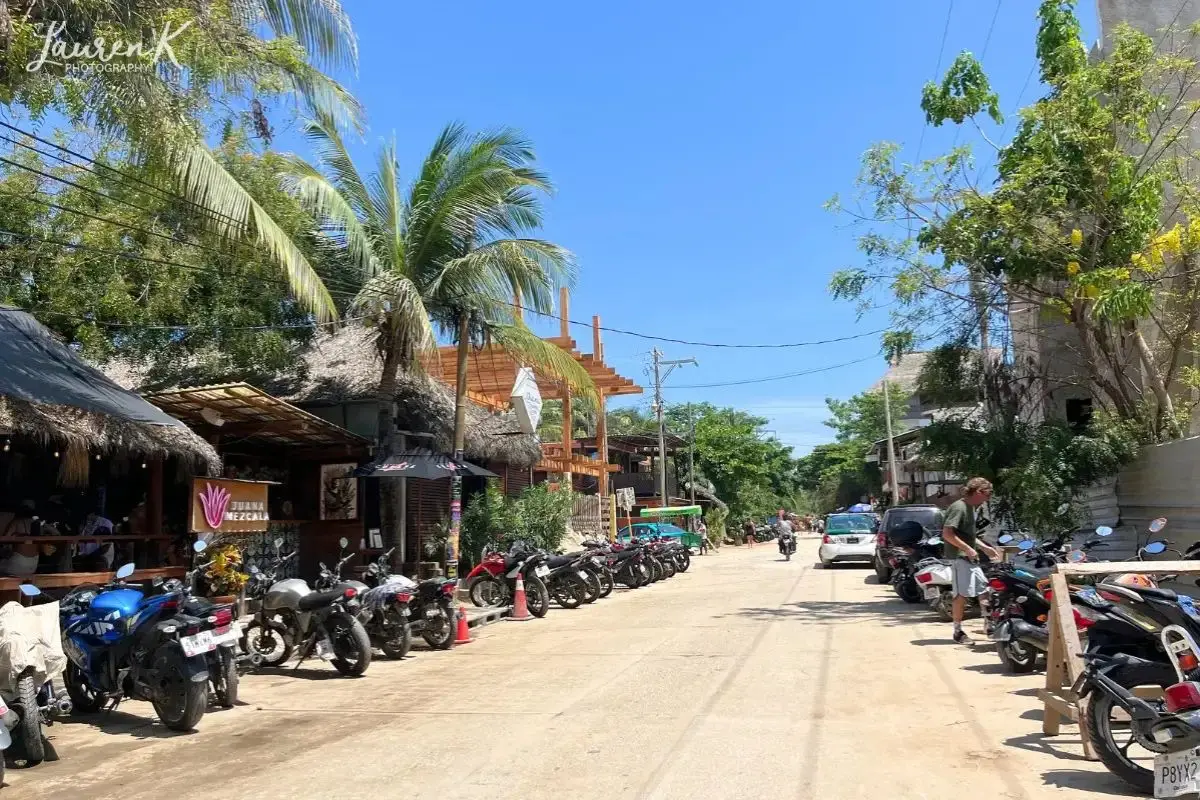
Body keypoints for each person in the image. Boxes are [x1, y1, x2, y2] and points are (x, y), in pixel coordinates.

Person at [941, 477, 1001, 644]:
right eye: (987, 494)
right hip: (959, 558)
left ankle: (989, 625)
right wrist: (967, 549)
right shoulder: (959, 508)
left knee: (984, 589)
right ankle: (957, 632)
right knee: (961, 595)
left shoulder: (971, 508)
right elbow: (947, 534)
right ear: (978, 492)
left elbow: (968, 537)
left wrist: (984, 548)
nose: (988, 499)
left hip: (969, 557)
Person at [0, 500, 41, 577]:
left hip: (17, 564)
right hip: (34, 565)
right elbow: (56, 533)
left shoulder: (17, 522)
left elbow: (4, 540)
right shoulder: (37, 524)